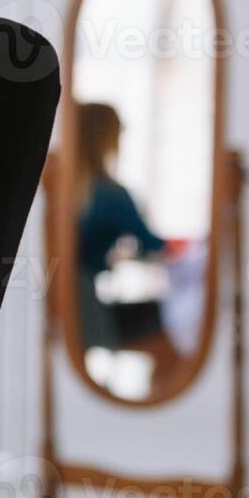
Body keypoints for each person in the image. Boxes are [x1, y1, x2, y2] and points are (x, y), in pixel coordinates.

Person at [73, 101, 179, 392]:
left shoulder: (66, 189)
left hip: (73, 304)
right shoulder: (111, 194)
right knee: (167, 337)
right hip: (87, 311)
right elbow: (153, 245)